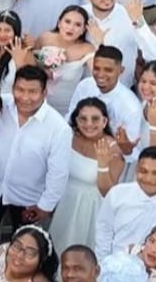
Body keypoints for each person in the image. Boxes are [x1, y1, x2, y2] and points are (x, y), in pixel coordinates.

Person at [0, 66, 71, 242]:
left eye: (32, 92)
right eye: (20, 90)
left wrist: (45, 206)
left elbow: (58, 173)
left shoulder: (59, 128)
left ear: (44, 92)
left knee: (22, 246)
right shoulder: (2, 105)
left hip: (28, 201)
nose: (25, 97)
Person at [47, 98, 124, 253]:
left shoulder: (114, 150)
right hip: (63, 202)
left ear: (104, 121)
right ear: (76, 120)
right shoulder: (68, 136)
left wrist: (102, 165)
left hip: (89, 209)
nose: (89, 124)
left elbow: (107, 192)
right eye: (83, 118)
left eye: (95, 119)